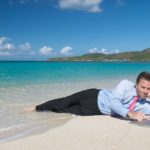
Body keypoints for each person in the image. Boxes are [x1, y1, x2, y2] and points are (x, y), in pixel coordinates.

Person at [24, 71, 150, 122]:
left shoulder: (145, 104)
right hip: (93, 95)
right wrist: (131, 113)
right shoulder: (125, 84)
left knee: (63, 111)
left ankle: (43, 113)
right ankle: (36, 107)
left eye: (148, 89)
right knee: (63, 102)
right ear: (136, 85)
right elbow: (114, 104)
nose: (145, 91)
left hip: (94, 110)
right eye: (143, 87)